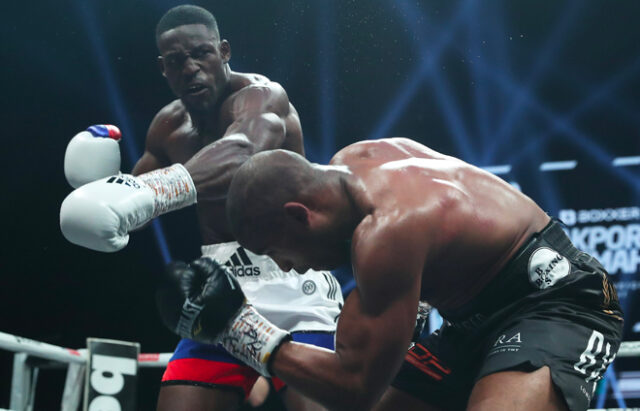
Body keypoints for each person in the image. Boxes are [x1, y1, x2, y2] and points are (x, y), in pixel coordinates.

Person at [158, 137, 623, 411]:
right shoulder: (358, 161)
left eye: (276, 250)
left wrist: (236, 328)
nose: (286, 267)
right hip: (470, 321)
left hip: (555, 304)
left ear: (301, 215)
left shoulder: (385, 232)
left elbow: (354, 386)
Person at [60, 5, 342, 411]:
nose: (190, 67)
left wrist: (143, 191)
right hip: (219, 294)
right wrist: (102, 190)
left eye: (201, 54)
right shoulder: (168, 128)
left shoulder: (263, 98)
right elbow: (138, 211)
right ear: (163, 68)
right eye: (176, 61)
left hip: (298, 287)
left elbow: (241, 153)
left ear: (224, 51)